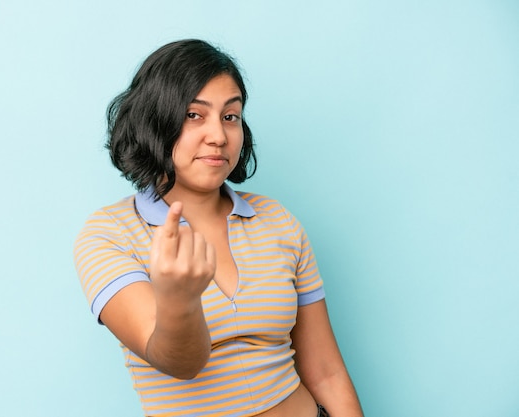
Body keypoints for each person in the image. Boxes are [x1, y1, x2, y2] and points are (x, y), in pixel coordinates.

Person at [74, 39, 364, 417]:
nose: (219, 136)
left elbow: (326, 373)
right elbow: (180, 363)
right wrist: (181, 300)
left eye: (230, 116)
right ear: (154, 120)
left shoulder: (277, 220)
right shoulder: (109, 233)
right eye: (194, 115)